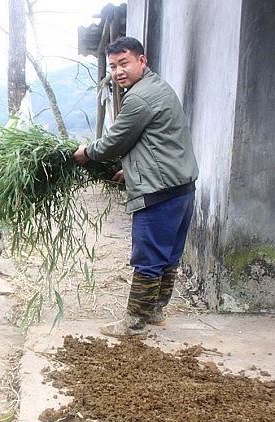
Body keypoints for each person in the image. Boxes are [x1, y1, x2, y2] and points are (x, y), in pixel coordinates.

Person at [74, 36, 199, 338]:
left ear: (142, 61)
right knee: (168, 255)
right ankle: (155, 311)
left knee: (148, 257)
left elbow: (115, 140)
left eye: (124, 63)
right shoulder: (156, 87)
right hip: (180, 186)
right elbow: (154, 142)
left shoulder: (139, 97)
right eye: (114, 66)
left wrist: (87, 153)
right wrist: (130, 171)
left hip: (159, 193)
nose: (118, 71)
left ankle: (134, 322)